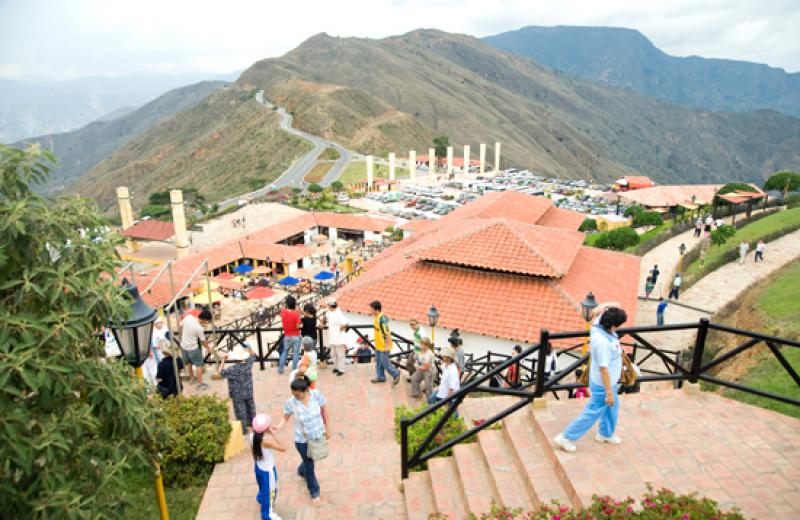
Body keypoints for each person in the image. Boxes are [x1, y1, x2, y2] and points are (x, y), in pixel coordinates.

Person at [554, 307, 628, 452]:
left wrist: (602, 309)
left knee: (612, 408)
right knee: (592, 412)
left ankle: (605, 433)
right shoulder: (603, 343)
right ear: (613, 325)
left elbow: (613, 304)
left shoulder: (598, 325)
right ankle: (566, 437)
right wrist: (609, 393)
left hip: (609, 383)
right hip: (603, 385)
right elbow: (604, 369)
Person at [275, 377, 330, 503]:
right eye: (293, 394)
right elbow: (285, 417)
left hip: (317, 435)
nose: (296, 397)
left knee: (307, 461)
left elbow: (326, 409)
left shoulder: (316, 395)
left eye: (298, 394)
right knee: (310, 464)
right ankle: (314, 491)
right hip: (302, 440)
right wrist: (278, 426)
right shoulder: (291, 402)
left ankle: (301, 469)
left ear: (305, 390)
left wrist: (328, 428)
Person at [251, 414, 285, 520]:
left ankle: (260, 497)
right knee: (271, 491)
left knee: (262, 487)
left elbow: (253, 453)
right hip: (267, 470)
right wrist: (274, 434)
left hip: (258, 466)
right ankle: (267, 514)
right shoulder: (265, 442)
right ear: (265, 430)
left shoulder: (252, 437)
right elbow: (283, 448)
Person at [220, 343, 257, 433]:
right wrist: (249, 350)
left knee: (240, 412)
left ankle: (244, 430)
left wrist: (223, 361)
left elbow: (221, 372)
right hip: (248, 391)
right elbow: (254, 356)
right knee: (251, 408)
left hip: (237, 394)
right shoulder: (248, 364)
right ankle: (254, 424)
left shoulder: (233, 369)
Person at [369, 301, 400, 385]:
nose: (370, 311)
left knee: (385, 363)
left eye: (371, 310)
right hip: (378, 345)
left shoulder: (382, 319)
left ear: (376, 310)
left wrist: (386, 347)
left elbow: (387, 334)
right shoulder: (376, 317)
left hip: (384, 346)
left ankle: (396, 373)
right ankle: (381, 377)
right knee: (378, 362)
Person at [180, 308, 212, 390]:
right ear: (204, 319)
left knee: (189, 363)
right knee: (199, 365)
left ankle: (192, 378)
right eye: (207, 321)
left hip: (183, 346)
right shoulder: (199, 328)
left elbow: (180, 325)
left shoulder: (189, 317)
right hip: (193, 348)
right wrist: (209, 348)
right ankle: (200, 383)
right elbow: (203, 341)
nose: (207, 323)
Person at [323, 298, 349, 376]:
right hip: (332, 337)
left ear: (330, 305)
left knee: (340, 354)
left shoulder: (338, 313)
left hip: (339, 338)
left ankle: (341, 369)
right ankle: (336, 367)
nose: (327, 306)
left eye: (328, 305)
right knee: (333, 354)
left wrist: (343, 327)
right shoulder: (329, 312)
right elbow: (325, 318)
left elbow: (346, 322)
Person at [278, 296, 302, 374]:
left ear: (287, 304)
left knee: (285, 352)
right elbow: (298, 326)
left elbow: (281, 310)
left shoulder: (283, 312)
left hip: (287, 335)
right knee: (296, 353)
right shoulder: (296, 314)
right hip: (296, 335)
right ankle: (294, 369)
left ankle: (280, 369)